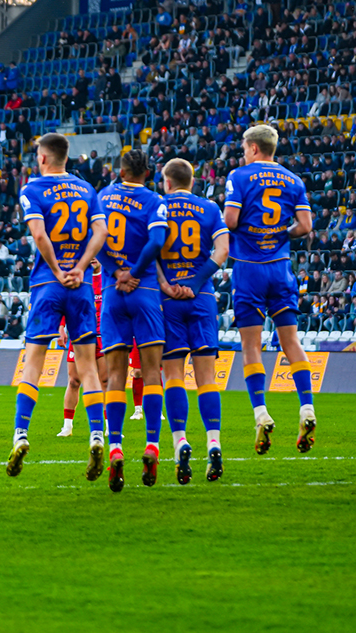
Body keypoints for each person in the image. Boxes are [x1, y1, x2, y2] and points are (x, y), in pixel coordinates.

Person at [7, 133, 108, 483]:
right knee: (88, 367)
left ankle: (21, 434)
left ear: (43, 158)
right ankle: (97, 435)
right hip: (81, 287)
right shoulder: (87, 190)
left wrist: (58, 270)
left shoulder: (33, 189)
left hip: (48, 285)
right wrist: (80, 267)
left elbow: (39, 236)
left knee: (34, 362)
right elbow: (101, 233)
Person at [224, 125, 317, 455]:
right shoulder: (293, 180)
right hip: (280, 267)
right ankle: (307, 408)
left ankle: (261, 413)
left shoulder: (239, 176)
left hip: (249, 268)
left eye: (243, 148)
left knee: (251, 345)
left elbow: (230, 220)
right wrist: (280, 234)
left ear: (253, 148)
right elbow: (306, 226)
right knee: (291, 341)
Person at [98, 149, 169, 492]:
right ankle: (152, 444)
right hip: (146, 291)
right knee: (152, 372)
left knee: (115, 375)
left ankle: (114, 447)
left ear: (121, 171)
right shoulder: (154, 201)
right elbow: (157, 240)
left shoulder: (103, 196)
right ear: (148, 173)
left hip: (113, 293)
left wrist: (116, 273)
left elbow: (94, 239)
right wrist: (135, 273)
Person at [156, 159, 230, 484]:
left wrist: (165, 285)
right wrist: (197, 282)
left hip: (168, 299)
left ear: (168, 182)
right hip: (202, 299)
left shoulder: (157, 207)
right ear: (192, 180)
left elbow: (150, 252)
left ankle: (180, 442)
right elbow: (223, 250)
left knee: (173, 375)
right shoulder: (210, 208)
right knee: (207, 377)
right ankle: (213, 442)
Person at [56, 258, 108, 438]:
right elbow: (66, 304)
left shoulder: (108, 278)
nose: (93, 258)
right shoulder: (78, 279)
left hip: (103, 336)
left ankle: (109, 426)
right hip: (80, 335)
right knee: (73, 381)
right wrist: (61, 327)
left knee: (105, 381)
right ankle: (67, 426)